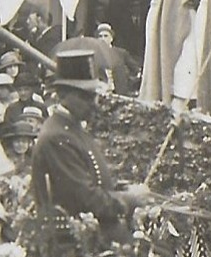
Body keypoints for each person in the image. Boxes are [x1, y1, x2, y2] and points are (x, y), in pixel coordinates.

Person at [31, 49, 151, 237]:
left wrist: (120, 188)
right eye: (86, 96)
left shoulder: (72, 128)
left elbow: (89, 179)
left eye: (94, 95)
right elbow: (84, 201)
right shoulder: (57, 137)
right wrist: (129, 199)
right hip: (77, 246)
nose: (94, 103)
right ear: (63, 94)